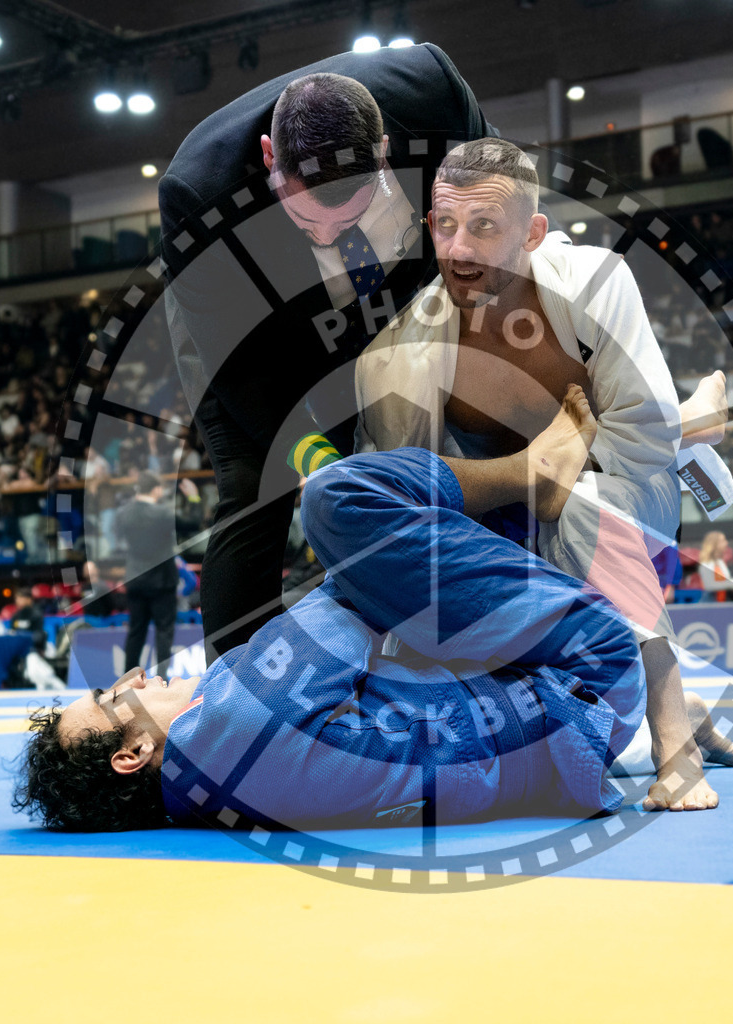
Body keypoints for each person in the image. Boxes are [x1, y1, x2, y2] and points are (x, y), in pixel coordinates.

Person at [14, 405, 733, 832]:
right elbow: (358, 594)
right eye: (114, 698)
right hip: (588, 669)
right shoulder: (236, 718)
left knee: (417, 556)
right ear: (132, 755)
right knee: (342, 500)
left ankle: (654, 446)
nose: (133, 678)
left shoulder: (213, 787)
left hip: (576, 727)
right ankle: (579, 460)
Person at [355, 138, 733, 811]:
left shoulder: (596, 281)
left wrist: (559, 468)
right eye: (445, 224)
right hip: (502, 514)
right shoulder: (401, 355)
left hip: (626, 489)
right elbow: (415, 505)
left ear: (532, 233)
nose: (459, 248)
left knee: (584, 505)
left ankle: (675, 742)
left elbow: (642, 441)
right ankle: (698, 417)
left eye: (484, 225)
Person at [160, 44, 497, 660]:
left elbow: (500, 203)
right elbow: (245, 376)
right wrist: (317, 458)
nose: (326, 235)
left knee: (441, 439)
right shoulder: (197, 192)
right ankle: (238, 694)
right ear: (269, 158)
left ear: (384, 151)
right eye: (308, 220)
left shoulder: (433, 96)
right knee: (260, 482)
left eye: (345, 219)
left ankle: (460, 644)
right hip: (250, 328)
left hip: (393, 290)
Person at [114, 472, 178, 674]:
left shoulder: (123, 513)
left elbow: (117, 537)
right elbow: (191, 523)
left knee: (136, 630)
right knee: (164, 631)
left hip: (136, 578)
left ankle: (128, 679)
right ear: (156, 489)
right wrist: (193, 498)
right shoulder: (163, 513)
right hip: (162, 581)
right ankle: (161, 678)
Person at [697, 530, 733, 601]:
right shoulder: (706, 563)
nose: (726, 543)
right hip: (710, 603)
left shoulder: (720, 562)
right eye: (723, 541)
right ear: (715, 544)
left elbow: (725, 580)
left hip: (724, 601)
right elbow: (709, 585)